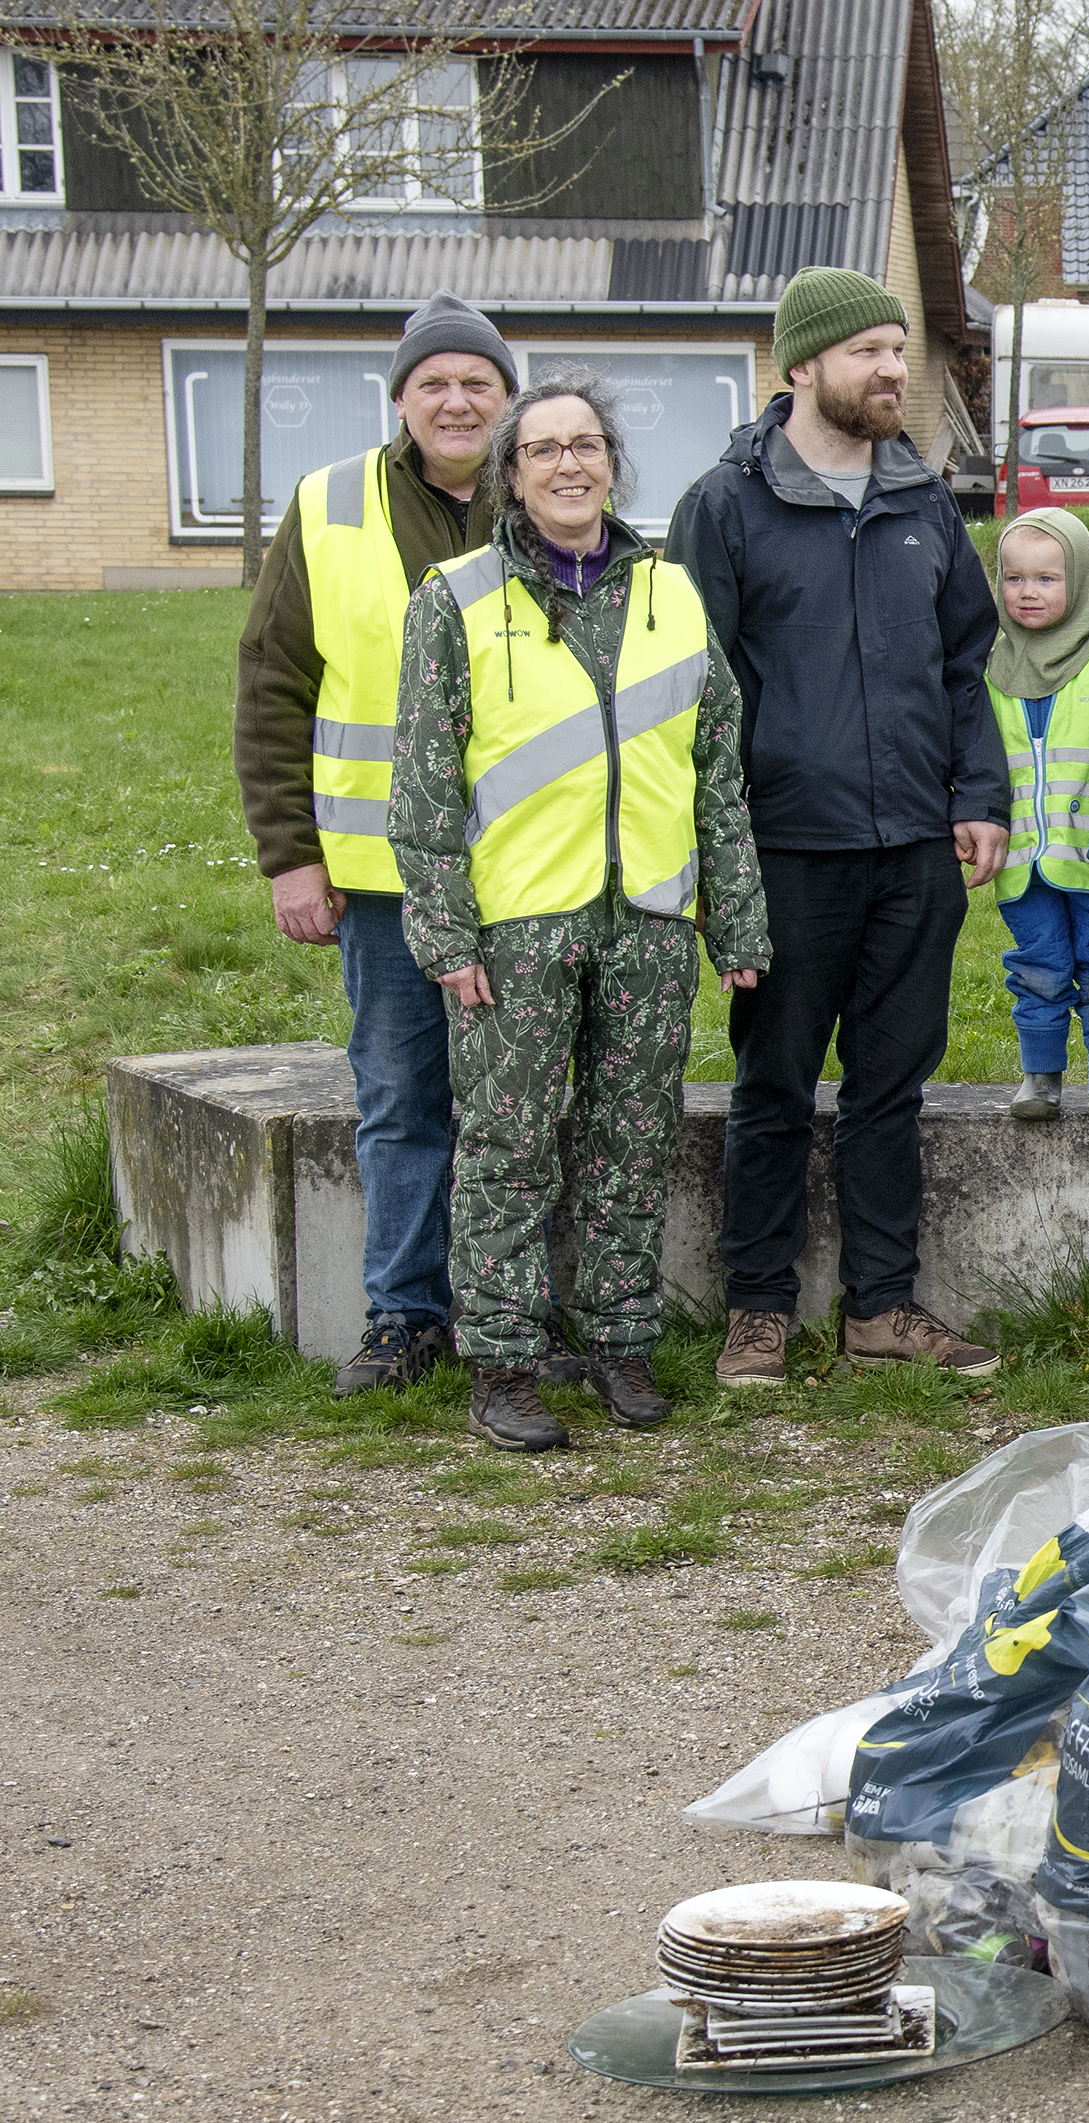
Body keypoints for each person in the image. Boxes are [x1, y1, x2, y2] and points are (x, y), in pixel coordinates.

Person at [387, 374, 769, 1451]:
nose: (569, 465)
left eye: (587, 445)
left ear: (612, 463)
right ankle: (503, 1360)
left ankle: (618, 1340)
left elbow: (716, 773)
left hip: (647, 914)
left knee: (632, 1139)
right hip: (517, 924)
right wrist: (445, 934)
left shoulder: (673, 594)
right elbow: (419, 785)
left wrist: (734, 920)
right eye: (543, 448)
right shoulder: (455, 598)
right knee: (507, 1146)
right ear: (510, 474)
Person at [667, 267, 1004, 1386]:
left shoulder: (921, 501)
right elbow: (691, 692)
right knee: (772, 1084)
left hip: (913, 844)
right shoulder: (725, 507)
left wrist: (978, 794)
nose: (891, 373)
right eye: (867, 352)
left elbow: (965, 664)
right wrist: (718, 857)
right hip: (783, 848)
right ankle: (757, 1307)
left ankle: (882, 1304)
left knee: (890, 1083)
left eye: (898, 352)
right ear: (800, 365)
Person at [237, 291, 522, 1397]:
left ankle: (515, 1314)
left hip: (527, 874)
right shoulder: (328, 504)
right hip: (379, 876)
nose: (457, 400)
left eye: (478, 382)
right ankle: (406, 1314)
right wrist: (288, 853)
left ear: (507, 396)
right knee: (402, 1097)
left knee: (526, 1103)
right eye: (434, 382)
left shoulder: (551, 492)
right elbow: (272, 684)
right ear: (399, 397)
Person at [983, 506, 1089, 1123]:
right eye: (1014, 578)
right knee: (1038, 967)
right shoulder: (990, 665)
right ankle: (1040, 1077)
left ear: (1079, 580)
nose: (1028, 592)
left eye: (1047, 578)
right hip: (1021, 857)